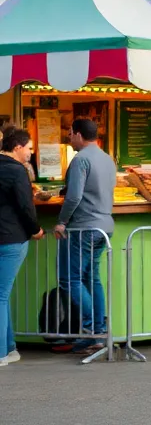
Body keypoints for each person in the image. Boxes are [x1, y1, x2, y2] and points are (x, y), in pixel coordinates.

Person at [53, 118, 116, 355]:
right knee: (92, 279)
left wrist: (61, 221)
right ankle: (99, 332)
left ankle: (92, 331)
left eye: (70, 134)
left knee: (69, 279)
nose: (69, 138)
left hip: (83, 226)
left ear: (79, 135)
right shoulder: (106, 158)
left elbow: (73, 197)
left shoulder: (81, 160)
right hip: (104, 227)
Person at [1, 128, 44, 366]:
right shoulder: (17, 172)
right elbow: (26, 207)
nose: (31, 152)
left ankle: (9, 348)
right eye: (28, 147)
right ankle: (2, 352)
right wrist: (36, 230)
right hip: (12, 239)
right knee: (0, 296)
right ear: (17, 147)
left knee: (2, 295)